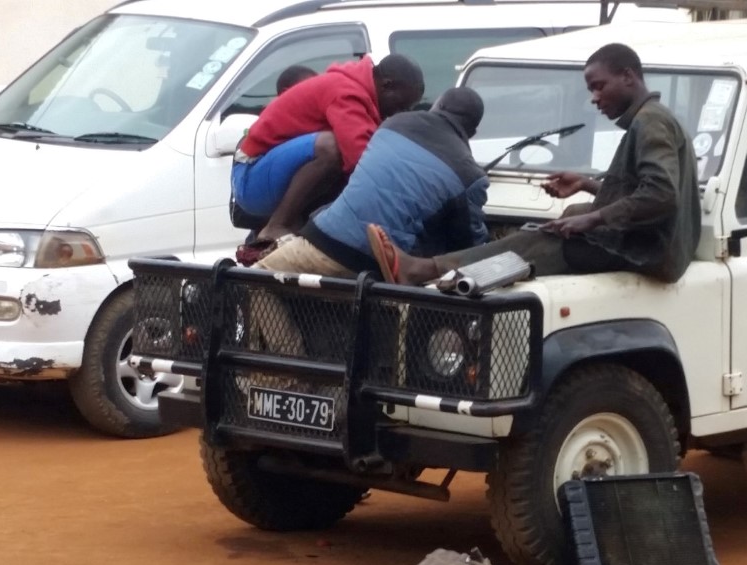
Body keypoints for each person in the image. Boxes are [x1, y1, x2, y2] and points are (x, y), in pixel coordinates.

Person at [367, 42, 700, 287]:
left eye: (599, 87)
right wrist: (585, 185)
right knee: (561, 221)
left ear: (628, 77)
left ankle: (425, 270)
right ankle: (447, 272)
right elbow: (643, 192)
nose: (594, 98)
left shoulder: (650, 123)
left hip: (651, 251)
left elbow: (661, 195)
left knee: (542, 240)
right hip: (652, 244)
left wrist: (593, 219)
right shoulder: (653, 119)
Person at [248, 87, 490, 355]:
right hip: (386, 266)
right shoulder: (471, 175)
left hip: (324, 244)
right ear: (472, 132)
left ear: (437, 106)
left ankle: (290, 363)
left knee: (255, 279)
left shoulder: (392, 124)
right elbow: (469, 246)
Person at [232, 54, 425, 245]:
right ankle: (277, 225)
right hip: (251, 180)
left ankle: (302, 226)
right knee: (331, 146)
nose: (399, 113)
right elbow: (361, 158)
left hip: (272, 176)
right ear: (386, 85)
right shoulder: (345, 91)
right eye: (400, 106)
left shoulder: (359, 94)